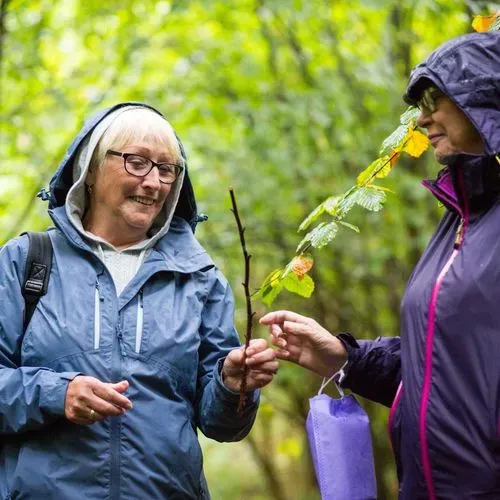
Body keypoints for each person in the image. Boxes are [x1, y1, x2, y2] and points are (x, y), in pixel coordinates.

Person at [261, 30, 500, 499]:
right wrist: (343, 357)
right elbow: (441, 369)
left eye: (436, 99)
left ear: (485, 100)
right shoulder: (459, 221)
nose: (424, 118)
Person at [0, 103, 279, 499]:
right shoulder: (25, 262)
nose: (154, 182)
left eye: (167, 169)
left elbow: (222, 426)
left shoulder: (197, 278)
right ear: (91, 170)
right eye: (137, 162)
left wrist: (233, 385)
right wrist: (55, 394)